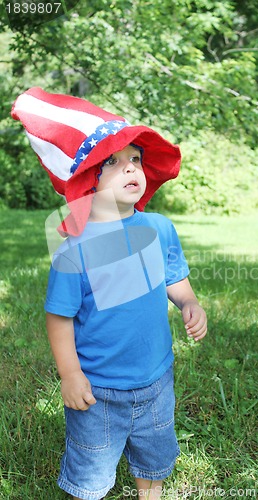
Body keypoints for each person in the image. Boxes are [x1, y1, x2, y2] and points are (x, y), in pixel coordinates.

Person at [11, 88, 207, 500]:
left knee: (154, 458)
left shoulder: (160, 228)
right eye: (114, 163)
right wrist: (70, 374)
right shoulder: (75, 250)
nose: (131, 168)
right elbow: (60, 317)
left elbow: (173, 275)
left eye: (136, 159)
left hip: (156, 378)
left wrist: (189, 302)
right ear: (90, 179)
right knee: (91, 468)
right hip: (99, 390)